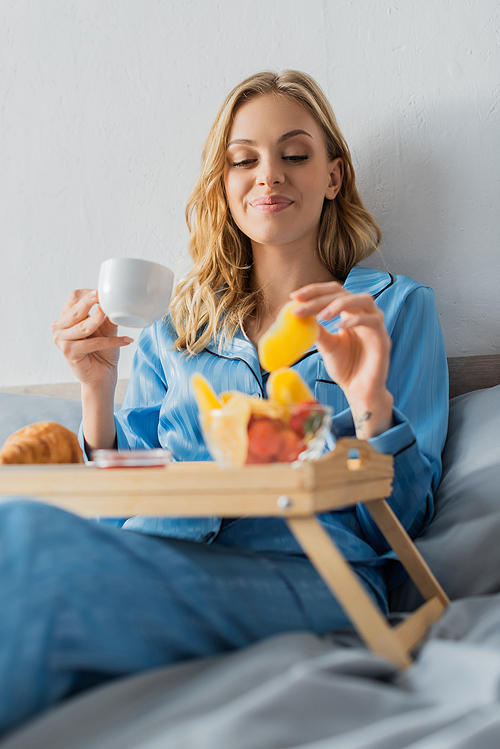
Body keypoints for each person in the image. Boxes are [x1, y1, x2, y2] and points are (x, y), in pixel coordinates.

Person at [0, 70, 448, 735]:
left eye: (295, 154)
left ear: (333, 175)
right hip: (164, 548)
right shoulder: (175, 326)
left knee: (31, 546)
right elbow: (128, 494)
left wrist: (367, 397)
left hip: (313, 569)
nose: (269, 175)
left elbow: (406, 516)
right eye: (244, 159)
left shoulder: (389, 309)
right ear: (224, 184)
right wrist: (97, 390)